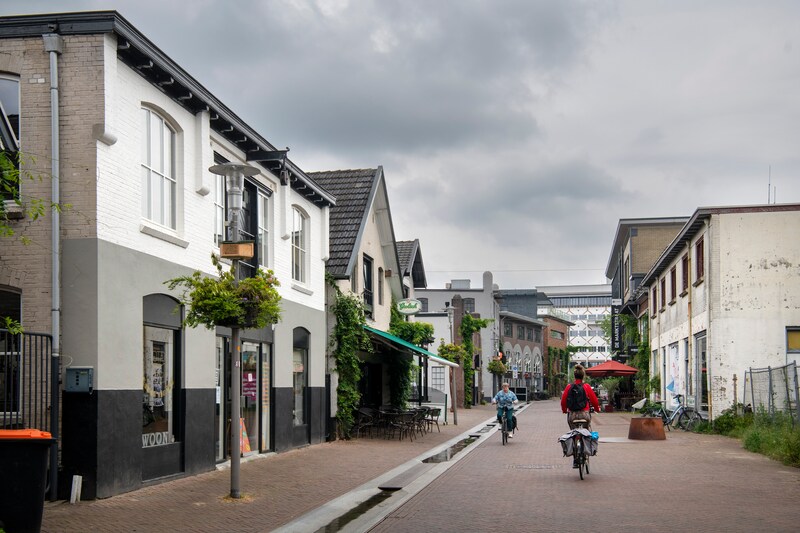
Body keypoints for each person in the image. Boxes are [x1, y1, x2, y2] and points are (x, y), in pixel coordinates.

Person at [561, 364, 601, 430]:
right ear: (583, 376)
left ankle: (573, 439)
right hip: (584, 414)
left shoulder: (569, 387)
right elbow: (594, 401)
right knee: (587, 432)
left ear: (574, 376)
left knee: (573, 431)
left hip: (572, 415)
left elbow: (563, 401)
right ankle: (586, 439)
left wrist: (564, 410)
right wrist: (597, 409)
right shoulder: (586, 386)